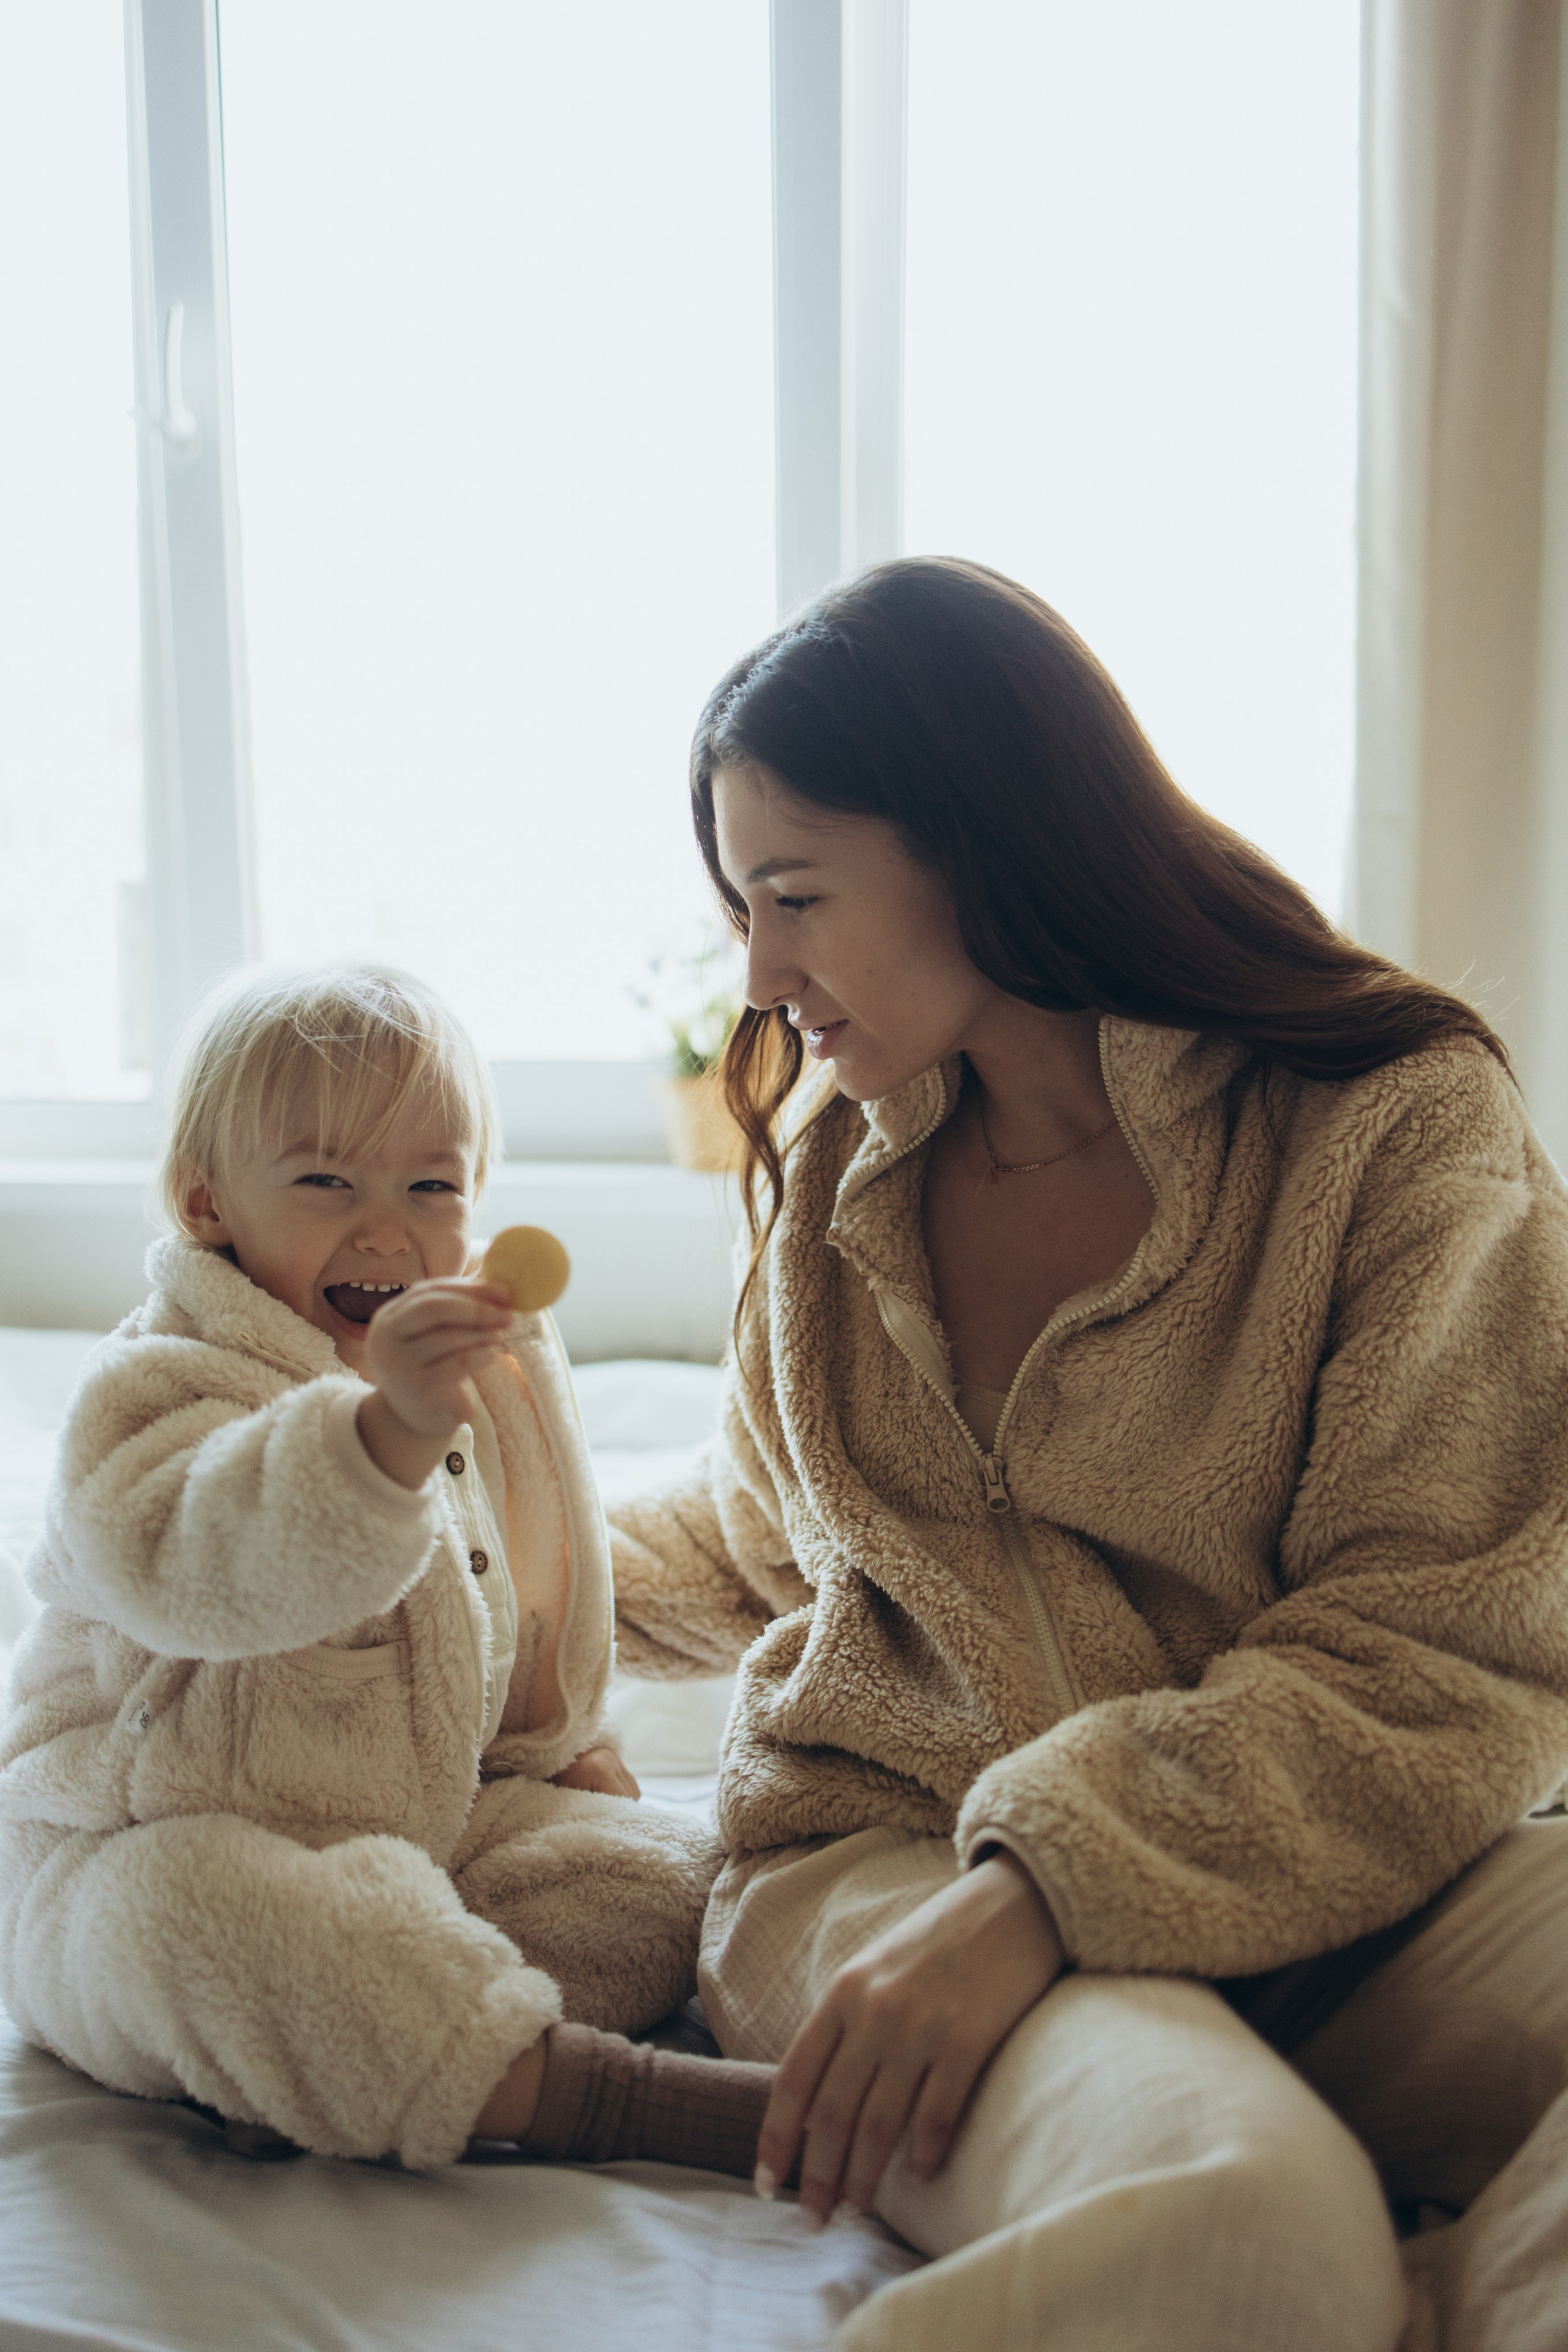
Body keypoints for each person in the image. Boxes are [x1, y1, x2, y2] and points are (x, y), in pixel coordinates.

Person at [608, 558, 1568, 2350]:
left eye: (794, 895)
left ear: (982, 839)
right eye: (744, 906)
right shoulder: (839, 1185)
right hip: (881, 1863)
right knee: (1256, 2231)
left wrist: (1053, 1878)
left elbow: (1448, 1635)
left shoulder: (1391, 1129)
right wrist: (443, 1556)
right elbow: (769, 1541)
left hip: (1327, 1882)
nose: (759, 973)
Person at [0, 965, 772, 2176]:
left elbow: (514, 1585)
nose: (387, 1226)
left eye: (431, 1183)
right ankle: (599, 2096)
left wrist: (556, 1747)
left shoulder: (484, 1371)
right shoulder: (154, 1389)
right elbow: (206, 1557)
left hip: (418, 1832)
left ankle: (343, 2043)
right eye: (324, 1181)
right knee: (201, 1924)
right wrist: (385, 1441)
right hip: (138, 1842)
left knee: (673, 1877)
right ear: (206, 1203)